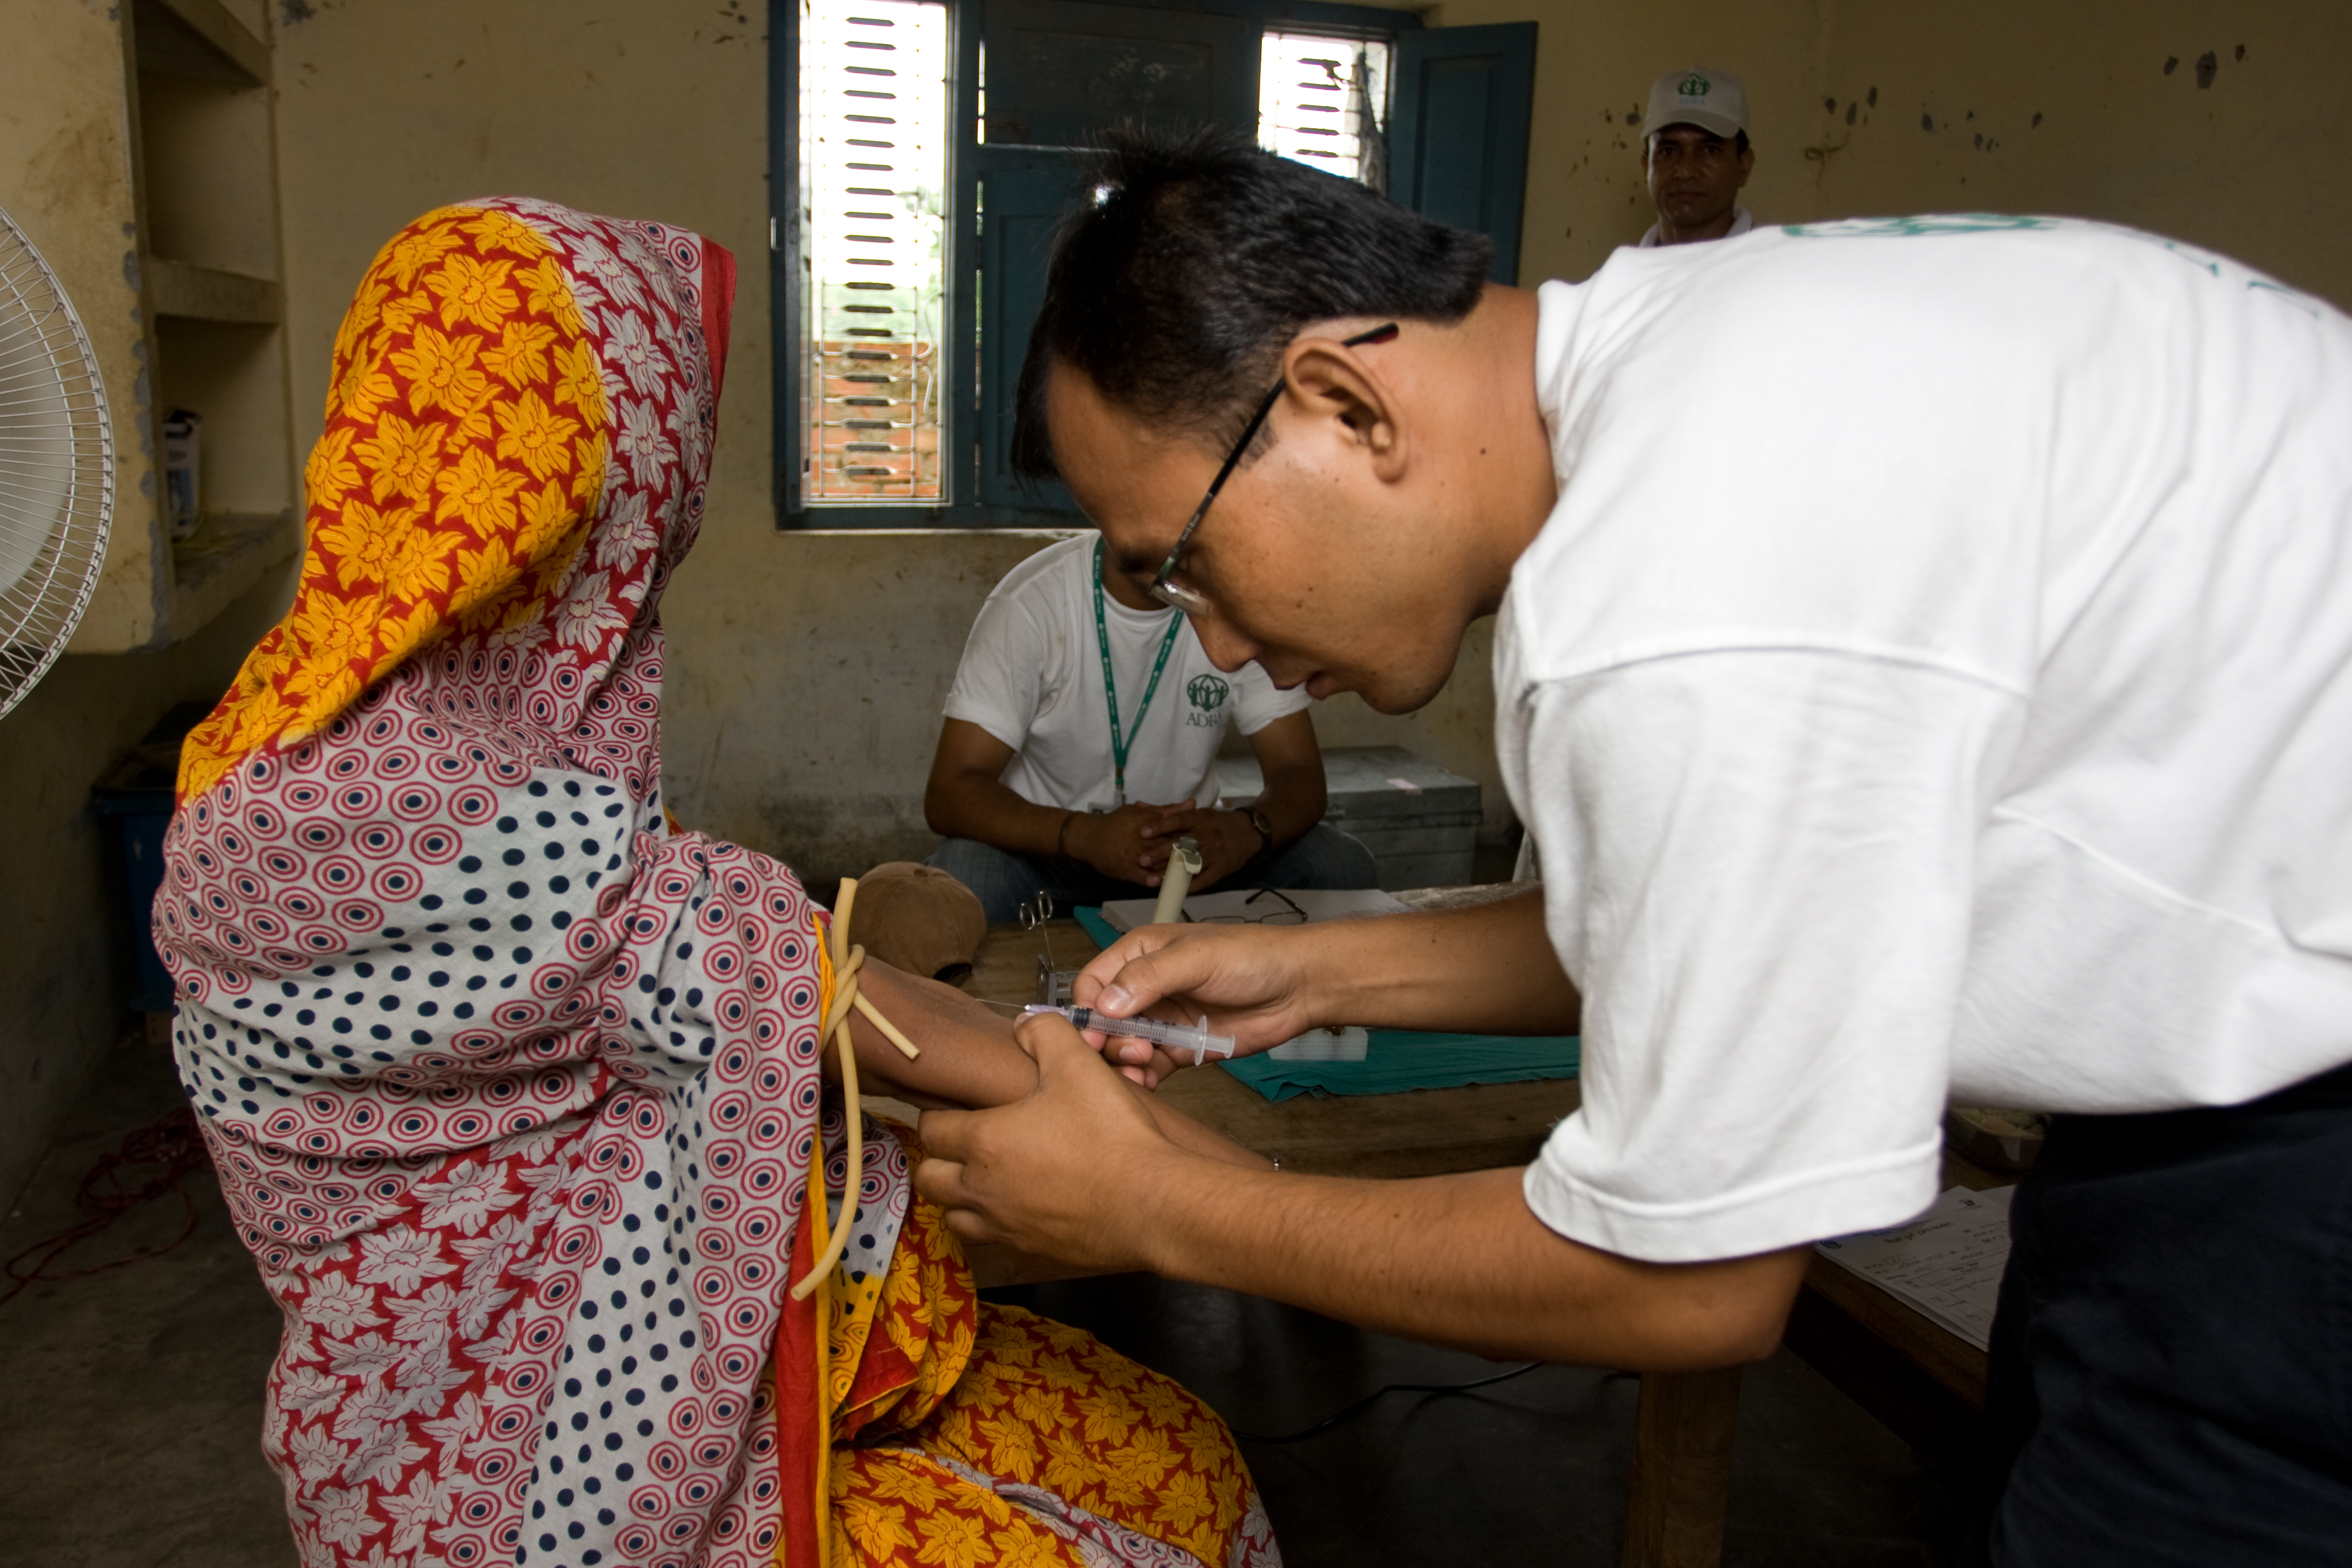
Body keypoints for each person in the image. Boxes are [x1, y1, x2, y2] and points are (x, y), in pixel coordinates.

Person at [913, 129, 2352, 1566]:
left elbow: (1687, 1283)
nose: (1218, 640)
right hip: (2209, 1092)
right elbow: (1714, 924)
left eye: (1191, 561)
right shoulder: (1699, 358)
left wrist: (1157, 1203)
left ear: (1344, 404)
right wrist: (1314, 973)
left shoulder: (1674, 585)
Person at [155, 198, 1281, 1568]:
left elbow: (764, 961)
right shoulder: (459, 819)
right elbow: (816, 986)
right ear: (586, 482)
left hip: (390, 1441)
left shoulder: (277, 740)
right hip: (545, 1477)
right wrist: (1249, 1201)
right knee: (1162, 1503)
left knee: (1152, 1452)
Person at [923, 531, 1377, 923]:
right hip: (1057, 853)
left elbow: (1298, 772)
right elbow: (951, 793)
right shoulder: (1032, 602)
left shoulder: (1240, 604)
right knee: (966, 874)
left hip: (1193, 861)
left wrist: (1244, 831)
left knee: (1339, 865)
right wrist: (1083, 836)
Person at [1638, 67, 1755, 247]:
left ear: (1744, 166)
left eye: (1710, 150)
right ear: (1647, 167)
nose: (1685, 171)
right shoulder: (1618, 274)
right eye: (1668, 152)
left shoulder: (1778, 270)